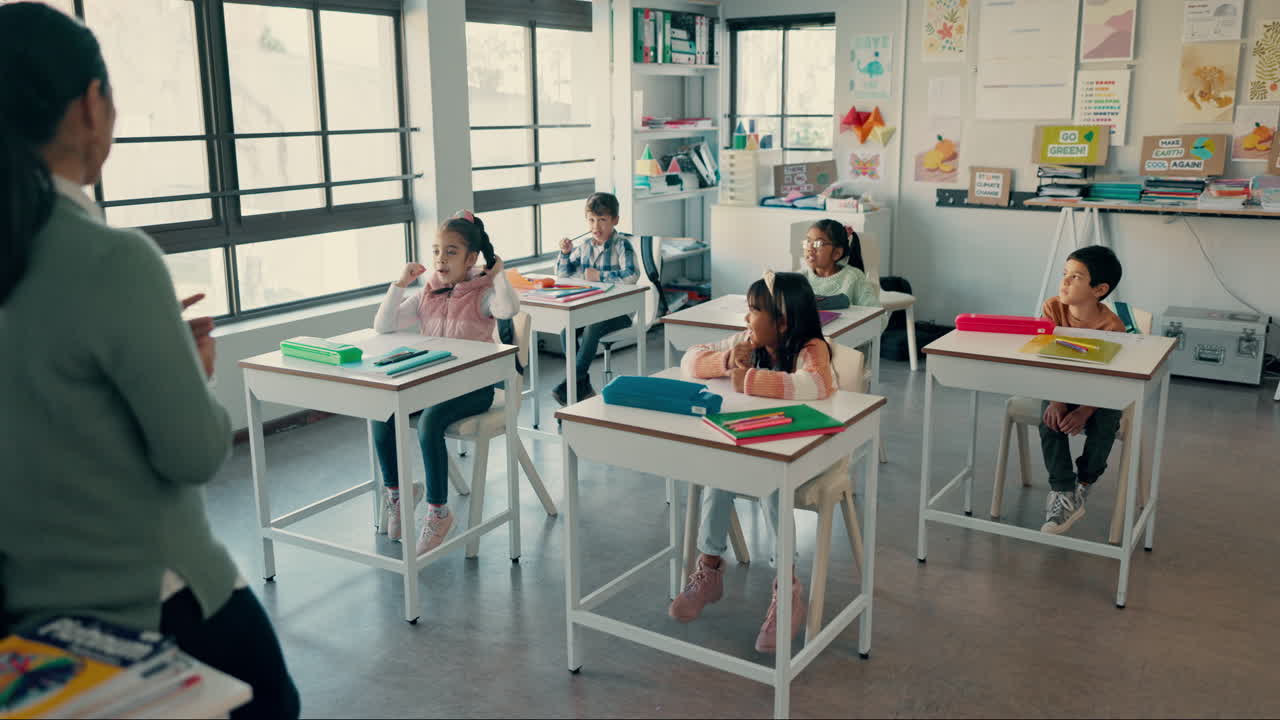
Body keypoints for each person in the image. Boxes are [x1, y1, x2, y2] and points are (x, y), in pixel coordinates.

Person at [0, 4, 298, 717]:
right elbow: (193, 452)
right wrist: (194, 373)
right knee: (272, 704)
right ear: (92, 105)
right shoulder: (111, 259)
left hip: (25, 613)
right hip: (152, 598)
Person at [669, 271, 836, 653]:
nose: (746, 320)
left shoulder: (811, 348)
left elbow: (816, 385)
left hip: (811, 456)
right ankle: (709, 568)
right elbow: (690, 360)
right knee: (720, 466)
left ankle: (787, 586)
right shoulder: (749, 342)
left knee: (770, 477)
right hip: (755, 444)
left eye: (754, 311)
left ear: (783, 321)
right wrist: (726, 360)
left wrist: (749, 380)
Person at [371, 210, 518, 555]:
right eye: (437, 250)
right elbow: (383, 325)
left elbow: (509, 309)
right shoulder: (428, 293)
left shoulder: (482, 294)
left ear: (471, 258)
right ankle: (397, 493)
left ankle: (439, 513)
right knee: (382, 414)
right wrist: (400, 284)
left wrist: (498, 275)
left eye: (451, 252)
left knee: (430, 422)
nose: (440, 258)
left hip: (476, 389)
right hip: (432, 385)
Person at [1038, 245, 1127, 535]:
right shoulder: (1053, 308)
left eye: (1076, 277)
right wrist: (1057, 401)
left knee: (1105, 422)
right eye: (1065, 273)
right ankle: (1063, 489)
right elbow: (1046, 357)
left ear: (1099, 289)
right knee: (1049, 417)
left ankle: (1083, 484)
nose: (1064, 281)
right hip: (1061, 385)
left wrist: (1086, 410)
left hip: (1099, 392)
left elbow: (1108, 377)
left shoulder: (1111, 326)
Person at [552, 192, 640, 404]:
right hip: (590, 308)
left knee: (592, 326)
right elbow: (563, 275)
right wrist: (564, 254)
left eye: (602, 220)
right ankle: (580, 384)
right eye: (591, 220)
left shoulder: (622, 245)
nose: (596, 226)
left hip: (619, 312)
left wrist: (600, 276)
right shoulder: (584, 246)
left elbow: (632, 275)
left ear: (615, 220)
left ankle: (569, 385)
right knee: (567, 329)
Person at [798, 219, 881, 317]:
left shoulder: (853, 278)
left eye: (818, 243)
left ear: (836, 253)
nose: (809, 248)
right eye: (808, 241)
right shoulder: (800, 279)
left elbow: (879, 318)